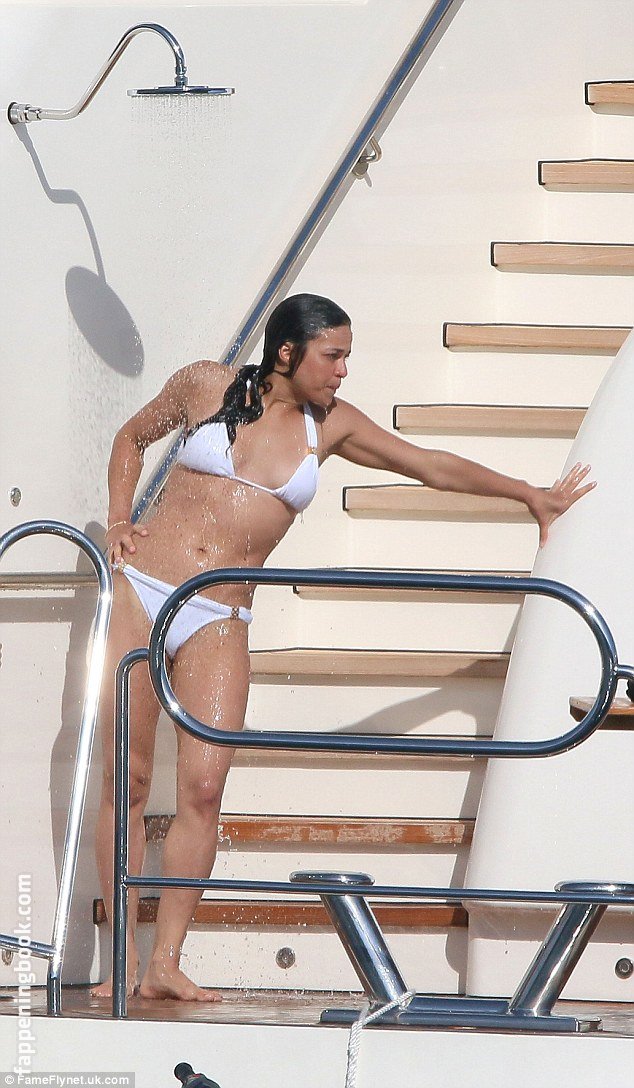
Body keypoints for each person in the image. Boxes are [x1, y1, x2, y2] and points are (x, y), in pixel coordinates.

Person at [94, 293, 594, 1002]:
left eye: (346, 357)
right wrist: (119, 519)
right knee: (131, 782)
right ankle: (120, 958)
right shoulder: (204, 384)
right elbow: (130, 438)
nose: (343, 371)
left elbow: (430, 465)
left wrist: (527, 495)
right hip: (143, 590)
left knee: (203, 789)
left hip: (219, 614)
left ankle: (164, 962)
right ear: (288, 352)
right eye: (333, 356)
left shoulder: (330, 426)